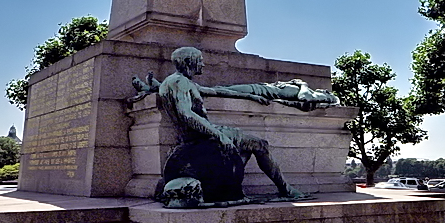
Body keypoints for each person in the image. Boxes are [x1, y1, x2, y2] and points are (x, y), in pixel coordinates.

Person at [132, 47, 317, 200]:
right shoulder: (180, 83)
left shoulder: (176, 82)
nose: (203, 64)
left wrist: (250, 95)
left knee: (243, 150)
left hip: (199, 137)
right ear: (190, 61)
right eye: (200, 60)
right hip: (202, 138)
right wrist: (218, 135)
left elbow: (216, 91)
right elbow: (187, 115)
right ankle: (286, 189)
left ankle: (230, 184)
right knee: (260, 144)